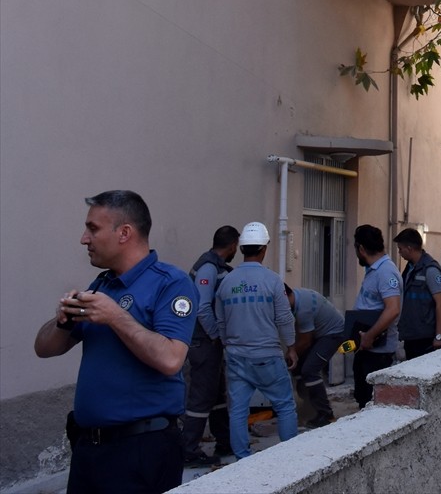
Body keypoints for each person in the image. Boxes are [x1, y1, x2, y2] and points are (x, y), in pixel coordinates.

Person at [34, 191, 197, 494]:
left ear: (124, 233)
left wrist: (115, 316)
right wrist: (62, 320)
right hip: (89, 448)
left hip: (141, 449)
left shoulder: (171, 283)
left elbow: (171, 359)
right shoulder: (101, 285)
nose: (84, 239)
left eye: (93, 228)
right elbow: (44, 349)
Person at [213, 222, 298, 460]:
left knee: (238, 411)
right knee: (284, 405)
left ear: (241, 249)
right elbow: (284, 318)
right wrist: (291, 347)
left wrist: (228, 346)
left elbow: (221, 322)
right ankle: (291, 457)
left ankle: (242, 458)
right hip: (267, 356)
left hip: (236, 357)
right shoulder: (272, 281)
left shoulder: (226, 283)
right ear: (264, 249)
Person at [181, 225, 238, 465]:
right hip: (203, 342)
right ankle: (188, 450)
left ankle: (224, 442)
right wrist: (217, 336)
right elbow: (202, 306)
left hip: (208, 342)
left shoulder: (215, 266)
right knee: (202, 396)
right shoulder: (208, 267)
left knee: (216, 395)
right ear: (233, 246)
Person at [350, 224, 402, 408]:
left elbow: (393, 309)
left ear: (361, 249)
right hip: (366, 349)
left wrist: (370, 336)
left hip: (378, 354)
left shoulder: (385, 272)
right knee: (363, 399)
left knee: (373, 404)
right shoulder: (374, 270)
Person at [284, 284, 342, 428]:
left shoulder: (303, 307)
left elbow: (305, 341)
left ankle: (326, 415)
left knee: (310, 370)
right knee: (299, 368)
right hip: (319, 334)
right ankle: (309, 407)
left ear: (285, 295)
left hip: (333, 335)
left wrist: (289, 354)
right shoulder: (296, 298)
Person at [393, 227, 441, 359]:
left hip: (426, 338)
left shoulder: (430, 270)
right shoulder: (411, 268)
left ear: (409, 248)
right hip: (412, 335)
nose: (399, 252)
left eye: (401, 248)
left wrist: (439, 336)